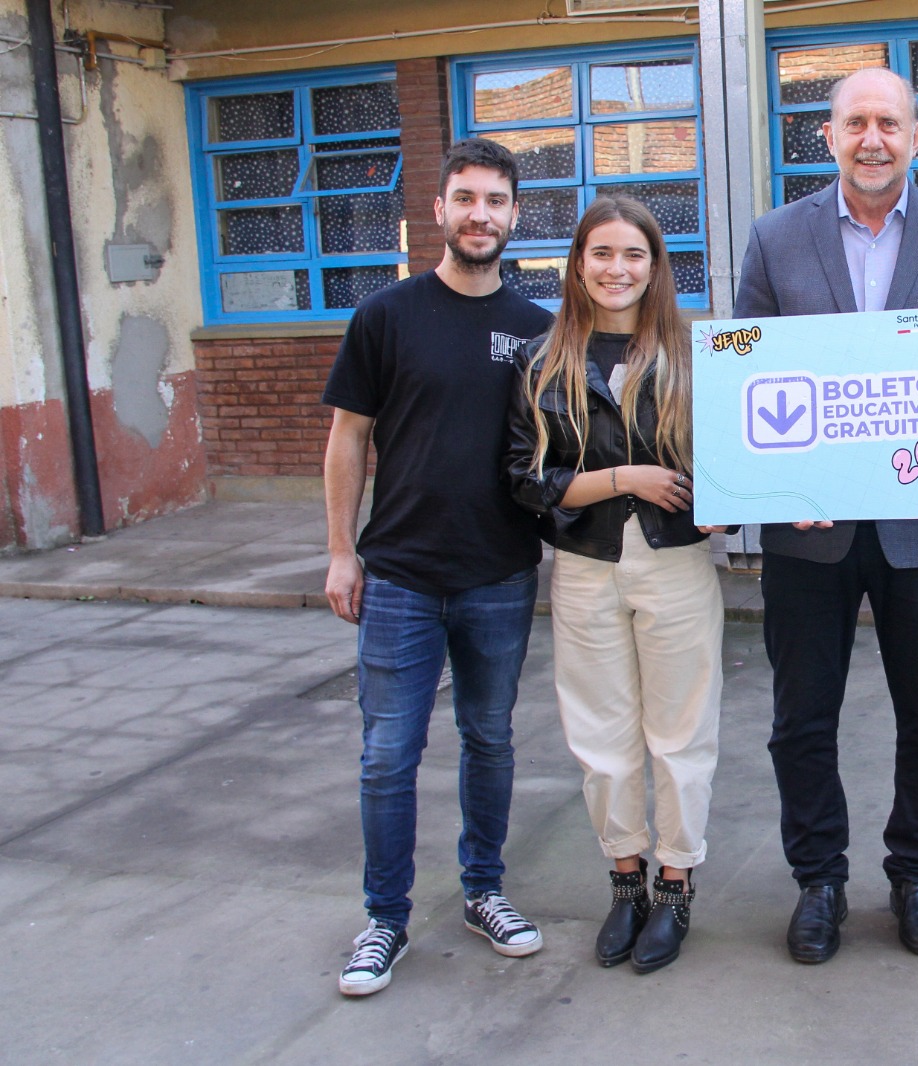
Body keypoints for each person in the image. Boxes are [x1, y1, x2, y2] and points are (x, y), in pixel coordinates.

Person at [734, 66, 918, 964]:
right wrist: (772, 483)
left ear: (915, 136)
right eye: (855, 122)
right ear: (828, 136)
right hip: (809, 529)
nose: (872, 139)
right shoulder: (775, 238)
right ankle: (818, 880)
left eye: (888, 123)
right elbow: (749, 368)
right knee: (801, 720)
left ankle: (916, 875)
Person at [322, 137, 554, 996]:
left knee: (489, 739)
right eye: (465, 198)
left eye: (495, 201)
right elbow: (347, 439)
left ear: (514, 214)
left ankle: (483, 891)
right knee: (388, 753)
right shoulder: (387, 316)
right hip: (400, 577)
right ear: (438, 210)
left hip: (500, 573)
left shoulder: (537, 330)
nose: (479, 215)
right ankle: (385, 919)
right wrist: (340, 552)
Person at [505, 196, 726, 975]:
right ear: (577, 263)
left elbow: (734, 456)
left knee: (681, 731)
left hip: (676, 561)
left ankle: (676, 883)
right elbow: (525, 478)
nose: (617, 269)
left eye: (634, 254)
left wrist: (730, 502)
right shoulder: (543, 358)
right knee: (601, 735)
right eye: (601, 253)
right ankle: (626, 881)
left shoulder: (696, 353)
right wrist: (625, 478)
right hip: (586, 564)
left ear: (655, 266)